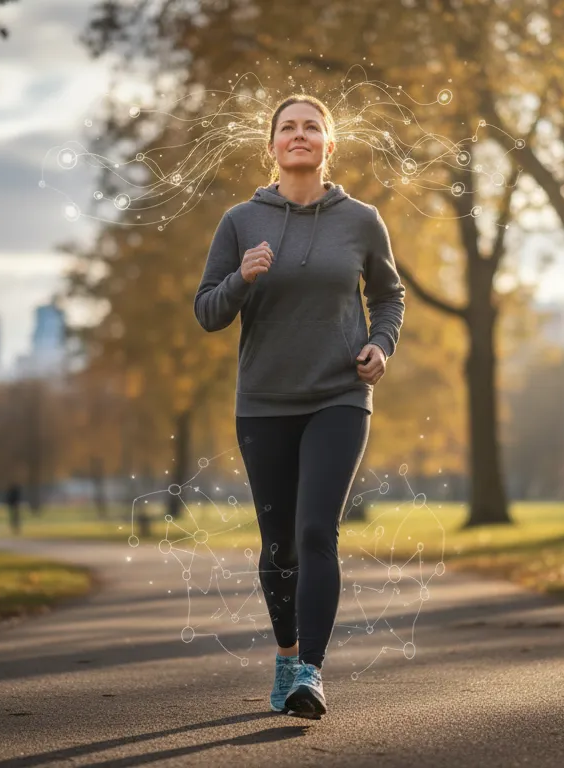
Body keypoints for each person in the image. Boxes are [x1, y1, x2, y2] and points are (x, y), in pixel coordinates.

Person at [193, 94, 406, 719]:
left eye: (312, 127)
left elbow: (390, 296)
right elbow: (208, 311)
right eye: (288, 128)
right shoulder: (239, 222)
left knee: (316, 532)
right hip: (263, 402)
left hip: (340, 395)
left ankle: (310, 671)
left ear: (329, 145)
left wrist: (380, 344)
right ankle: (287, 654)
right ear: (272, 146)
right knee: (278, 547)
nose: (300, 135)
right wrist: (243, 278)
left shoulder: (362, 219)